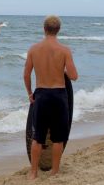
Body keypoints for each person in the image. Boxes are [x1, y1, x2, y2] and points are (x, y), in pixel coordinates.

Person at [24, 15, 78, 179]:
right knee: (58, 138)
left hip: (41, 95)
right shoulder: (64, 50)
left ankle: (33, 172)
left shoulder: (33, 49)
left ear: (44, 28)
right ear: (58, 30)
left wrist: (30, 93)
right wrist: (61, 70)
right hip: (59, 96)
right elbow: (74, 76)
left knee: (37, 138)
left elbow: (26, 75)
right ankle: (55, 172)